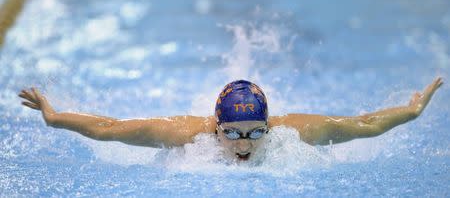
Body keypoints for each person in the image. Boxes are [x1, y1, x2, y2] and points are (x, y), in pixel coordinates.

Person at [19, 77, 443, 161]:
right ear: (214, 124)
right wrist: (54, 117)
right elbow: (111, 128)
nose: (244, 145)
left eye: (256, 132)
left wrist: (411, 111)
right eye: (233, 134)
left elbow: (363, 124)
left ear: (270, 124)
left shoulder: (293, 132)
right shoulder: (186, 136)